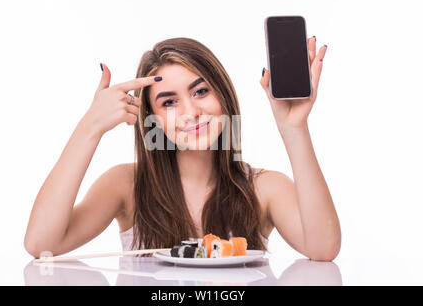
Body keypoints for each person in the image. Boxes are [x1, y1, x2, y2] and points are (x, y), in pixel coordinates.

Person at [24, 37, 341, 261]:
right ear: (154, 119)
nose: (191, 112)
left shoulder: (264, 188)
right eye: (169, 102)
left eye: (201, 91)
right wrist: (90, 126)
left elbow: (323, 250)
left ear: (223, 95)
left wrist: (294, 128)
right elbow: (42, 244)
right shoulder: (125, 185)